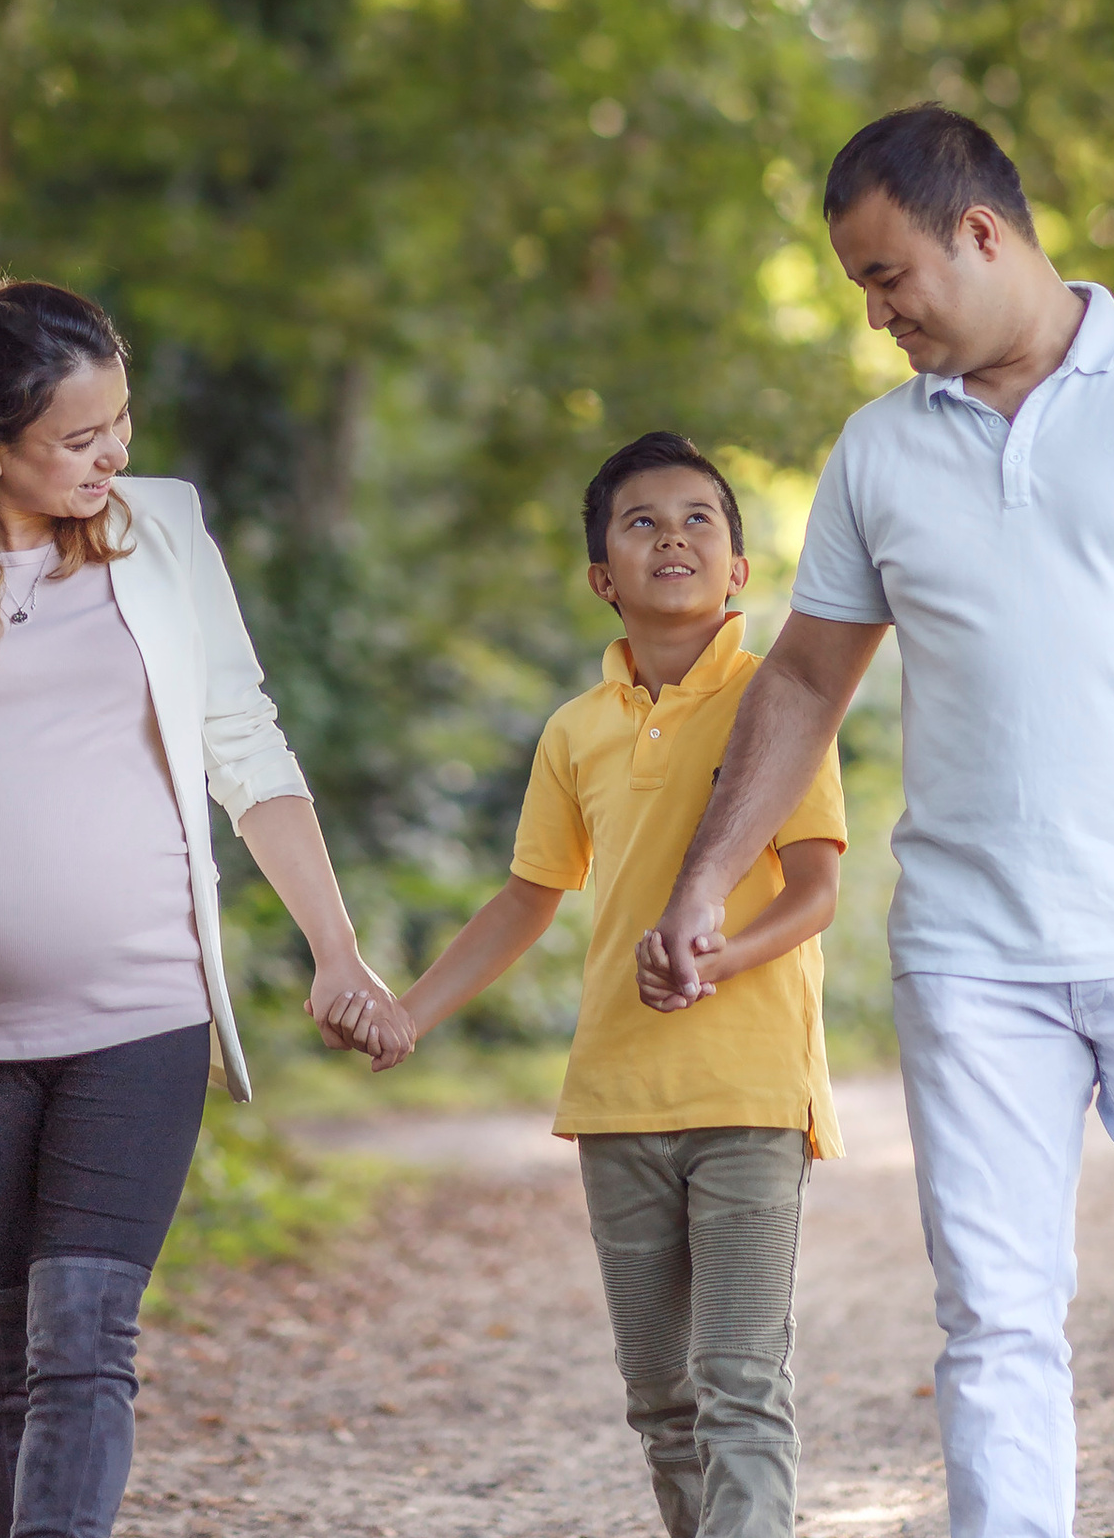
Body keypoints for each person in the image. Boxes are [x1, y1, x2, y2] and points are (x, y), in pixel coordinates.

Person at [642, 107, 1114, 1538]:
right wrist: (708, 874)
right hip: (972, 952)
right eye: (859, 286)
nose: (877, 313)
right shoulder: (878, 450)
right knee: (997, 1319)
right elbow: (805, 679)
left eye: (887, 276)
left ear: (978, 232)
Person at [0, 276, 400, 1538]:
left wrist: (336, 947)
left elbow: (245, 744)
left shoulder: (161, 533)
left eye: (120, 420)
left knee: (82, 1344)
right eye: (79, 437)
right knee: (0, 1357)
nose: (113, 453)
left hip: (141, 1014)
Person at [340, 431, 846, 1538]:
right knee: (662, 1398)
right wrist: (408, 1015)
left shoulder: (781, 699)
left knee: (739, 1383)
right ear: (600, 577)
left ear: (739, 568)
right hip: (616, 1100)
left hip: (750, 1091)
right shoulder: (574, 731)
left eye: (699, 519)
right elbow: (526, 899)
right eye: (641, 522)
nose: (673, 538)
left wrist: (719, 959)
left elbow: (814, 892)